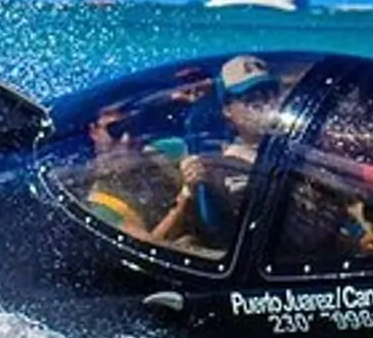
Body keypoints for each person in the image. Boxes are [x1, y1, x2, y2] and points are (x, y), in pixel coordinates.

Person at [152, 54, 283, 253]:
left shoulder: (298, 146)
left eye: (269, 94)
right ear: (227, 110)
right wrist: (188, 193)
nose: (264, 105)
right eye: (251, 99)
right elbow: (159, 244)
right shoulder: (213, 167)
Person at [80, 101, 179, 237]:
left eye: (132, 127)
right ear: (94, 131)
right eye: (115, 130)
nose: (126, 139)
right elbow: (146, 244)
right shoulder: (100, 204)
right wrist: (184, 203)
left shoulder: (157, 156)